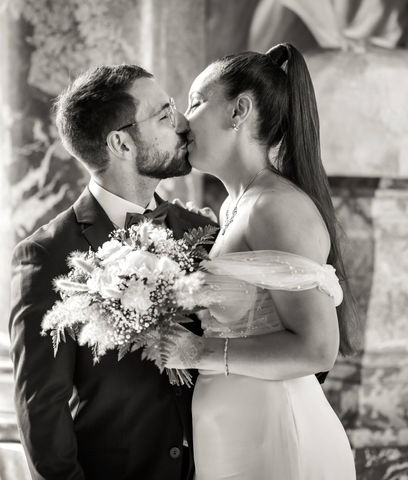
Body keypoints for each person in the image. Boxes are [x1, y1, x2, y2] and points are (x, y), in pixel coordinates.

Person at [9, 64, 216, 480]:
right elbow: (41, 407)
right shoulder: (49, 253)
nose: (181, 125)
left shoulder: (200, 231)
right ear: (121, 142)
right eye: (163, 115)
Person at [165, 43, 361, 479]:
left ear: (239, 111)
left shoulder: (275, 208)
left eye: (196, 103)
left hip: (272, 430)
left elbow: (316, 349)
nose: (182, 121)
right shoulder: (235, 205)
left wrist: (198, 351)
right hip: (233, 427)